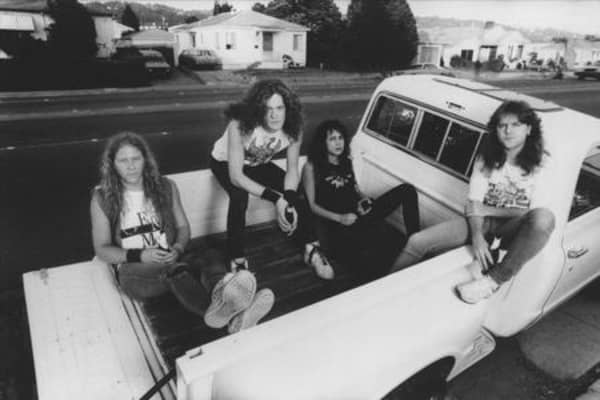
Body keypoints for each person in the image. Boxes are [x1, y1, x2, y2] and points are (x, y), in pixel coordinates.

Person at [90, 132, 273, 334]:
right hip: (135, 270)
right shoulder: (102, 198)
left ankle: (224, 299)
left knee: (210, 255)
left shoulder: (166, 186)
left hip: (170, 255)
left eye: (136, 159)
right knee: (175, 270)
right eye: (123, 160)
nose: (131, 166)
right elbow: (102, 249)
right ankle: (230, 318)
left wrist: (177, 248)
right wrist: (141, 255)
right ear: (112, 164)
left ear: (145, 160)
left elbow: (183, 227)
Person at [390, 100, 555, 304]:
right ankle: (385, 289)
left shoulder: (542, 163)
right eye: (502, 125)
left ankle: (492, 281)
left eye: (516, 125)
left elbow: (531, 212)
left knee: (545, 218)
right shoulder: (486, 158)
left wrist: (485, 209)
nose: (508, 131)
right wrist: (477, 236)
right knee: (417, 241)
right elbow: (473, 203)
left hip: (514, 229)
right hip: (483, 223)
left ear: (529, 129)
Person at [210, 79, 334, 279]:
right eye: (268, 109)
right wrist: (277, 199)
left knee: (297, 192)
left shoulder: (294, 128)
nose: (274, 115)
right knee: (239, 197)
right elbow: (236, 177)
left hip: (258, 163)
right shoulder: (239, 125)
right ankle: (237, 260)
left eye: (279, 108)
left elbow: (292, 170)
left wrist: (288, 199)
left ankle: (312, 249)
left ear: (288, 108)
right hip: (225, 163)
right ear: (258, 110)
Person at [303, 119, 420, 284]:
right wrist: (340, 218)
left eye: (340, 138)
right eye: (332, 139)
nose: (338, 143)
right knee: (371, 262)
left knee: (407, 190)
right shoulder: (311, 167)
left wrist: (364, 199)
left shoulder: (346, 160)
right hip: (338, 224)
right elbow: (312, 206)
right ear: (323, 142)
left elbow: (355, 188)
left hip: (359, 213)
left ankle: (416, 242)